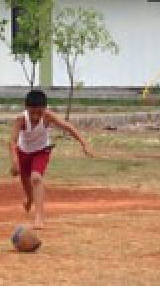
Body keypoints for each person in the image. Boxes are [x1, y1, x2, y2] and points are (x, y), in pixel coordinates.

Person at [8, 89, 96, 229]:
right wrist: (14, 160)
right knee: (25, 182)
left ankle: (39, 217)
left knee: (36, 178)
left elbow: (68, 127)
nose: (36, 116)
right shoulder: (21, 119)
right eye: (32, 112)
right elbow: (12, 141)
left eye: (40, 112)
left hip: (41, 151)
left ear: (45, 109)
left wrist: (84, 144)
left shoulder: (48, 116)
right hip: (23, 152)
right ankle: (30, 198)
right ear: (26, 108)